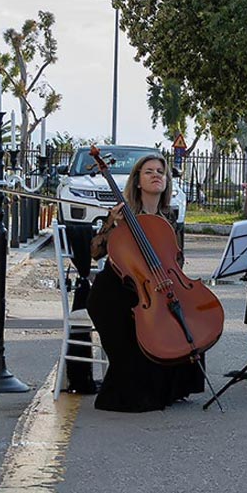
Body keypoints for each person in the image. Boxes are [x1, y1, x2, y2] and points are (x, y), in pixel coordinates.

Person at [86, 153, 205, 412]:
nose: (156, 175)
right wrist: (110, 225)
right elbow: (95, 252)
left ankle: (172, 388)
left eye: (160, 171)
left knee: (185, 316)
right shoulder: (123, 214)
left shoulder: (169, 217)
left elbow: (177, 260)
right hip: (115, 290)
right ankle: (133, 388)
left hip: (156, 287)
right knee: (136, 325)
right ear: (138, 181)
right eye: (149, 171)